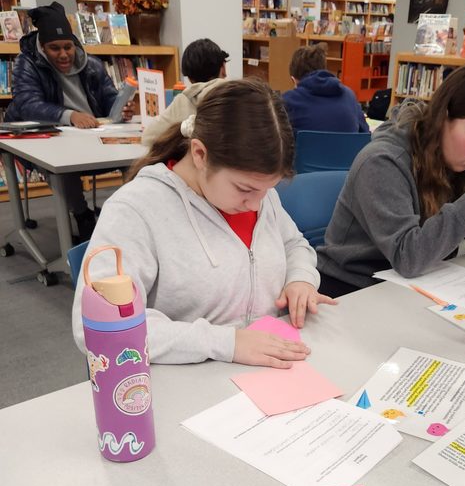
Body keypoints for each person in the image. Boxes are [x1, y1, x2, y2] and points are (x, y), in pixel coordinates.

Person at [72, 78, 336, 368]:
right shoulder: (135, 209)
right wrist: (227, 342)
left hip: (267, 368)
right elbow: (97, 325)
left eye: (267, 190)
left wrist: (300, 278)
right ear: (199, 154)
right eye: (245, 189)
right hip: (186, 381)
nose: (257, 204)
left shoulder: (259, 196)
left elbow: (294, 244)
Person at [316, 64, 465, 296]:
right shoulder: (381, 161)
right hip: (351, 289)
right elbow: (408, 257)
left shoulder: (455, 158)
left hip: (415, 285)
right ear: (442, 118)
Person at [5, 1, 133, 240]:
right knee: (63, 167)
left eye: (68, 47)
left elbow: (108, 97)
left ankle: (128, 215)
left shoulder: (92, 64)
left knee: (133, 160)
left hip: (91, 136)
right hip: (47, 138)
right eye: (55, 48)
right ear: (42, 47)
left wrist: (122, 109)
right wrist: (70, 116)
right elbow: (27, 104)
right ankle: (82, 216)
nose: (64, 55)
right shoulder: (27, 64)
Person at [141, 38, 229, 146]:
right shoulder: (236, 95)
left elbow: (148, 137)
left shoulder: (183, 100)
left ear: (189, 77)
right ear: (223, 69)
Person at [282, 44, 369, 134]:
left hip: (308, 147)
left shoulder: (287, 101)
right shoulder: (349, 96)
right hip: (348, 148)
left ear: (294, 80)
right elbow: (365, 134)